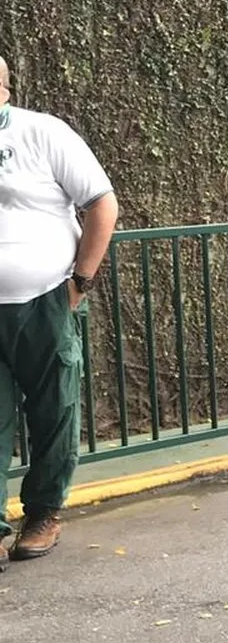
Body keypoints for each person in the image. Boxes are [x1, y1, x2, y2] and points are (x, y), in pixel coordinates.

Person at [0, 55, 119, 561]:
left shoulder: (42, 133)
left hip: (43, 298)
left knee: (54, 409)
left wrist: (81, 280)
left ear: (2, 89)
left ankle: (43, 513)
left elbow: (101, 203)